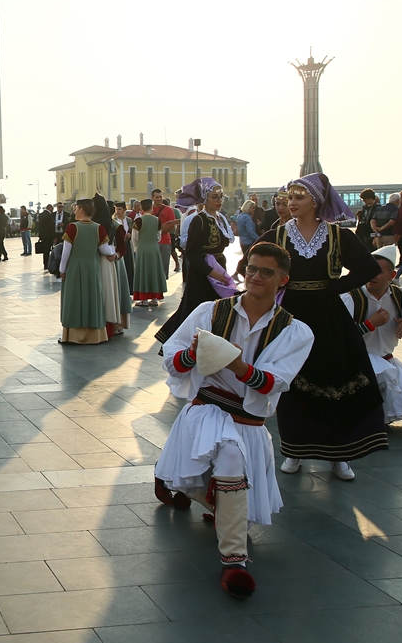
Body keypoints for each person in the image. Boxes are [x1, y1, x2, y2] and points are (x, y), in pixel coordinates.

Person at [153, 241, 315, 599]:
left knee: (224, 475)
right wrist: (195, 354)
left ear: (283, 279)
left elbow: (275, 382)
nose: (256, 277)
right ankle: (234, 562)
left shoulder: (296, 331)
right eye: (252, 269)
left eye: (266, 272)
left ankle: (189, 488)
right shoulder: (210, 311)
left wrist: (232, 361)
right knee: (227, 458)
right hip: (206, 405)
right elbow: (171, 356)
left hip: (249, 420)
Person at [257, 173, 384, 480]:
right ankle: (294, 450)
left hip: (328, 317)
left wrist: (335, 287)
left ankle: (339, 454)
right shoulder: (279, 235)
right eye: (289, 198)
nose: (291, 203)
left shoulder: (337, 235)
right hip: (291, 316)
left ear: (316, 201)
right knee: (293, 378)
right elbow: (256, 264)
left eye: (298, 198)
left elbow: (368, 267)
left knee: (335, 379)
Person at [341, 247, 402, 424]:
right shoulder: (351, 297)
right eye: (368, 271)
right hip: (354, 361)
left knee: (391, 381)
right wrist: (369, 324)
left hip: (385, 358)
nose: (372, 276)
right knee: (384, 376)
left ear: (392, 275)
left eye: (378, 271)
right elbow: (337, 336)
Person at [156, 179, 233, 347]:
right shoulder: (199, 220)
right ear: (205, 199)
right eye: (215, 197)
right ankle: (185, 344)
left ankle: (213, 345)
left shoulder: (220, 219)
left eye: (221, 197)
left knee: (216, 309)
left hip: (218, 267)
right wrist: (212, 273)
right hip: (203, 274)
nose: (219, 201)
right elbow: (191, 253)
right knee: (198, 309)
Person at [58, 198, 112, 344]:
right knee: (92, 298)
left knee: (74, 300)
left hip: (75, 268)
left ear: (81, 209)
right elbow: (104, 249)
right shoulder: (98, 227)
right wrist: (113, 252)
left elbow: (66, 252)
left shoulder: (72, 227)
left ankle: (73, 336)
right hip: (92, 268)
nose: (74, 211)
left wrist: (62, 269)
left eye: (76, 208)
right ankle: (95, 335)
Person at [94, 195, 130, 337]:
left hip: (115, 263)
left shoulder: (117, 226)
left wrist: (115, 255)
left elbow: (122, 247)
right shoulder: (95, 225)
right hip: (101, 262)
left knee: (117, 293)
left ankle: (117, 324)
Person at [132, 199, 167, 307]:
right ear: (151, 207)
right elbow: (158, 236)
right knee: (153, 272)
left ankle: (144, 300)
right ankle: (154, 299)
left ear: (141, 208)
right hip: (154, 248)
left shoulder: (138, 221)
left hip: (142, 248)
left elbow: (134, 238)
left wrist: (137, 247)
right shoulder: (157, 220)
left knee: (143, 272)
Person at [151, 189, 179, 277]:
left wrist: (158, 232)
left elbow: (172, 226)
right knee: (152, 267)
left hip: (165, 241)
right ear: (152, 198)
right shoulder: (148, 209)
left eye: (160, 197)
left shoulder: (168, 210)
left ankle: (162, 287)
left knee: (164, 265)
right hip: (151, 242)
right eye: (157, 197)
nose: (159, 199)